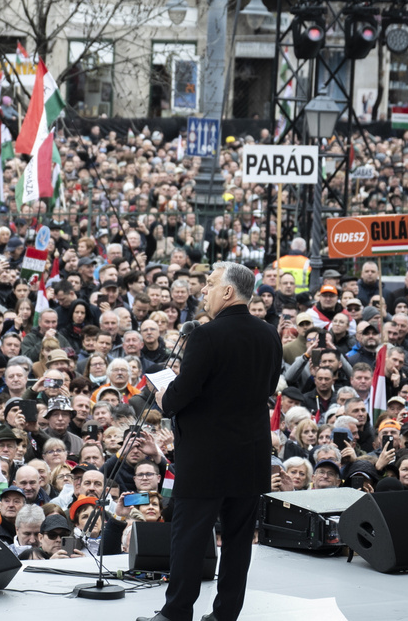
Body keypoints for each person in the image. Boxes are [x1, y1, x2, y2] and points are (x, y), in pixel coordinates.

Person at [143, 262, 280, 621]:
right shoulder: (269, 334)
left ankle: (176, 614)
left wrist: (162, 396)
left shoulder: (206, 335)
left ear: (228, 291)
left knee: (189, 538)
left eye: (209, 283)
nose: (203, 290)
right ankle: (224, 615)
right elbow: (267, 390)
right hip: (250, 456)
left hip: (205, 459)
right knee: (238, 543)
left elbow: (177, 399)